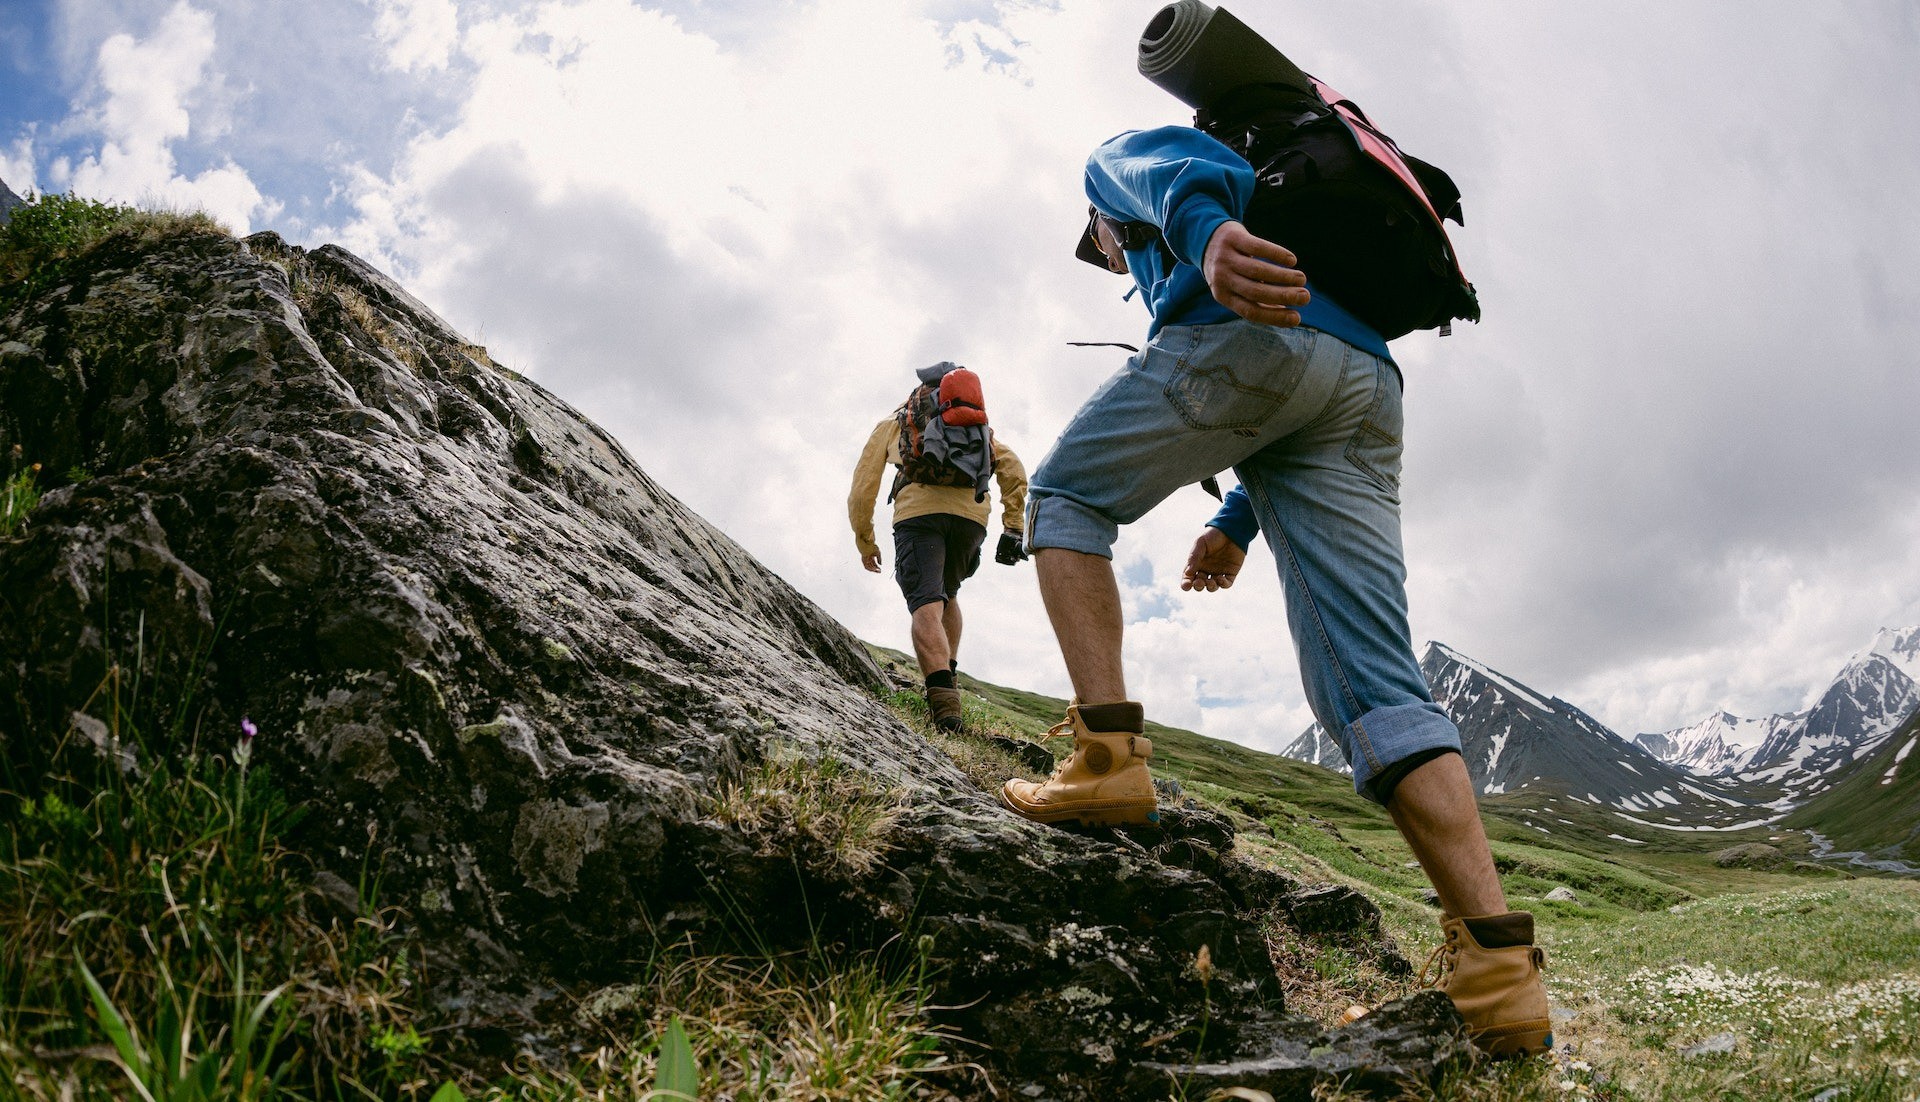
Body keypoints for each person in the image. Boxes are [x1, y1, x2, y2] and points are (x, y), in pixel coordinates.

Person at [998, 125, 1551, 1056]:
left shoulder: (1116, 174)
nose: (1104, 255)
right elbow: (1295, 402)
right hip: (1366, 382)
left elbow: (1173, 169)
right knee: (1377, 687)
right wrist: (1234, 523)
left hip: (1247, 337)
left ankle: (1104, 764)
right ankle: (1500, 978)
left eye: (1097, 246)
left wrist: (1207, 238)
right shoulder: (1315, 240)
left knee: (1063, 500)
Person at [849, 362, 1029, 732]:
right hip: (971, 520)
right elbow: (1013, 470)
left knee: (926, 604)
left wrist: (865, 539)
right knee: (948, 593)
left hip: (919, 517)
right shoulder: (979, 430)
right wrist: (1013, 525)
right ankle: (949, 679)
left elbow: (863, 485)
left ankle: (945, 710)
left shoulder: (897, 424)